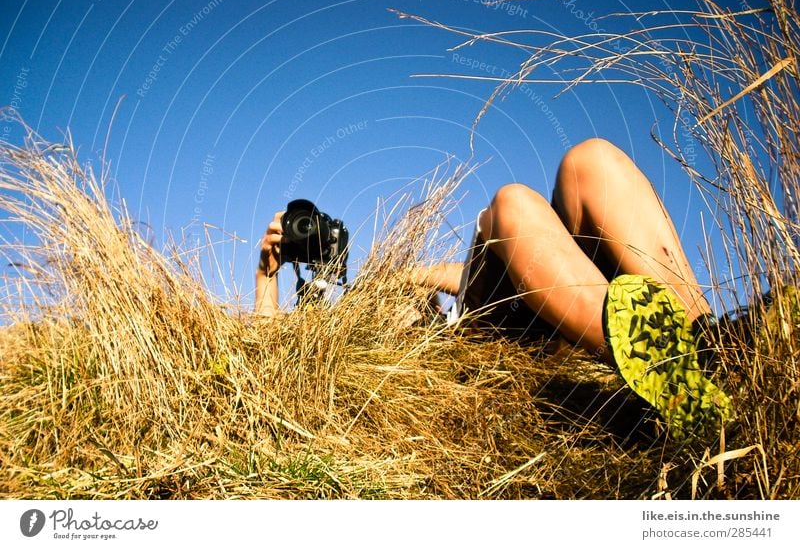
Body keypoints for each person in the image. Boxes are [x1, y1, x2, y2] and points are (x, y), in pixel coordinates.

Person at [256, 138, 732, 440]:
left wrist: (401, 275)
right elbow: (272, 366)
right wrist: (267, 277)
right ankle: (667, 371)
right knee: (510, 206)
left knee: (589, 162)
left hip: (516, 311)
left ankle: (713, 349)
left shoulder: (437, 295)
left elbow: (461, 282)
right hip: (490, 342)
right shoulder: (347, 336)